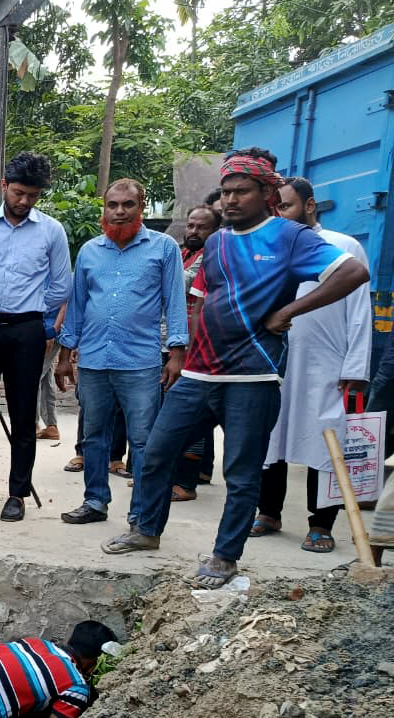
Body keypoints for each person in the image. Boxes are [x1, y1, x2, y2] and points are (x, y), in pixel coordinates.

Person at [101, 147, 370, 589]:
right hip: (198, 374)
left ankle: (225, 557)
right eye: (225, 192)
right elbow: (202, 297)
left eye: (240, 191)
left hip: (252, 377)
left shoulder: (290, 237)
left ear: (266, 192)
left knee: (242, 474)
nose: (229, 200)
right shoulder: (219, 240)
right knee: (156, 451)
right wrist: (182, 350)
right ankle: (146, 530)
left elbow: (353, 273)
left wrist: (289, 313)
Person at [54, 179, 187, 525]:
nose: (119, 211)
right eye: (112, 204)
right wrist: (65, 355)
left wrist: (177, 352)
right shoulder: (89, 252)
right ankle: (95, 501)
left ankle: (141, 512)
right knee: (93, 437)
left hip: (141, 363)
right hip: (95, 360)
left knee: (143, 441)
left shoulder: (164, 248)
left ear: (141, 206)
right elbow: (78, 306)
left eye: (127, 204)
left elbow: (175, 302)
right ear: (105, 208)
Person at [254, 176, 370, 553]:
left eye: (286, 206)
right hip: (277, 360)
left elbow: (359, 313)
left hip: (327, 366)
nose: (280, 214)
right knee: (270, 436)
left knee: (325, 442)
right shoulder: (271, 248)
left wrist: (355, 367)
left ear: (309, 205)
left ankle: (321, 525)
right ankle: (268, 513)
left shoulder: (343, 246)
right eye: (275, 209)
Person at [0, 151, 71, 522]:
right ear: (4, 186)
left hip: (27, 330)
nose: (24, 201)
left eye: (33, 196)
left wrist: (41, 320)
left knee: (24, 416)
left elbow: (61, 285)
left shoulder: (51, 231)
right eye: (19, 193)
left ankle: (17, 494)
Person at [170, 204, 222, 501]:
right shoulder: (185, 253)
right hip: (180, 342)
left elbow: (180, 282)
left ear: (214, 231)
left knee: (192, 415)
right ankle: (199, 472)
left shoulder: (210, 257)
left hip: (198, 346)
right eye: (190, 225)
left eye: (201, 227)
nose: (193, 231)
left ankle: (186, 481)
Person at [36, 303, 66, 440]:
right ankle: (51, 426)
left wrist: (52, 330)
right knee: (45, 376)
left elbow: (65, 301)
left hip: (49, 329)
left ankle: (32, 424)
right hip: (48, 328)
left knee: (33, 376)